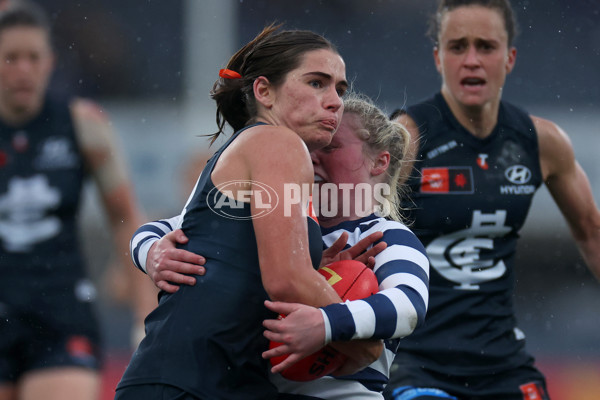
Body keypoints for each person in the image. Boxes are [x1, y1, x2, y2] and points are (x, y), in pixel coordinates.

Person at [115, 24, 391, 400]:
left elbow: (242, 260)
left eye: (340, 89)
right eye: (316, 83)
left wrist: (315, 265)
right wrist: (366, 347)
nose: (335, 101)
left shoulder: (259, 149)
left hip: (210, 376)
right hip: (191, 378)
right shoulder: (277, 142)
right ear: (264, 91)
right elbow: (286, 279)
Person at [129, 93, 430, 399]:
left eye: (330, 147)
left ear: (379, 161)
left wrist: (326, 321)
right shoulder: (281, 216)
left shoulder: (388, 236)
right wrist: (152, 253)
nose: (311, 157)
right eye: (309, 146)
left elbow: (408, 306)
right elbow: (164, 228)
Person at [381, 1, 600, 399]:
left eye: (485, 46)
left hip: (502, 362)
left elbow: (591, 232)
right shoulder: (406, 137)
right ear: (437, 57)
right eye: (457, 46)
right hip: (417, 363)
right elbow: (360, 232)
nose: (471, 60)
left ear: (510, 57)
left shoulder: (542, 142)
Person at [0, 3, 158, 400]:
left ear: (51, 62)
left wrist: (143, 315)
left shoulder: (84, 125)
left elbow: (124, 218)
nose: (23, 69)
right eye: (10, 58)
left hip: (60, 313)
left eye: (33, 57)